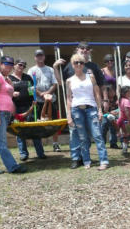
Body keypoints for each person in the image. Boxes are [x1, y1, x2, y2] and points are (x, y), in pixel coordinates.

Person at [53, 41, 107, 169]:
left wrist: (104, 102)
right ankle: (76, 158)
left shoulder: (93, 67)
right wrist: (55, 67)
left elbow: (100, 86)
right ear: (77, 50)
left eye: (87, 49)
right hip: (76, 107)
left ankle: (86, 158)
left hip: (91, 105)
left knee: (91, 134)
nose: (84, 50)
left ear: (90, 51)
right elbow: (61, 83)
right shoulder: (69, 69)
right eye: (82, 48)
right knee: (75, 134)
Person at [66, 54, 109, 170]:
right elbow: (69, 99)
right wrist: (68, 116)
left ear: (84, 64)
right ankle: (86, 160)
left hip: (91, 108)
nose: (79, 64)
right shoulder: (69, 81)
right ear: (72, 64)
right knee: (82, 137)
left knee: (97, 135)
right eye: (76, 62)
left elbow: (97, 94)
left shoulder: (90, 77)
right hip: (76, 110)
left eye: (81, 62)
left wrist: (100, 110)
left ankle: (103, 161)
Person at [0, 56, 27, 174]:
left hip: (5, 113)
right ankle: (13, 167)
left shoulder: (5, 78)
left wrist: (10, 85)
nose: (8, 67)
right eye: (6, 64)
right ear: (0, 64)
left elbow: (8, 95)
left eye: (11, 65)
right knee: (2, 142)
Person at [10, 58, 46, 161]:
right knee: (20, 131)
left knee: (34, 129)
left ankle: (40, 153)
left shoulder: (28, 77)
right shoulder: (9, 78)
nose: (22, 67)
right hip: (16, 108)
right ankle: (23, 154)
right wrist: (12, 94)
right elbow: (6, 93)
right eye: (20, 65)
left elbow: (32, 91)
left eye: (24, 66)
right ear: (15, 65)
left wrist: (34, 100)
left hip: (29, 106)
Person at [27, 49, 61, 152]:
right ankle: (40, 146)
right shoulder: (31, 70)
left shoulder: (50, 69)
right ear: (35, 58)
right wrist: (40, 94)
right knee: (38, 124)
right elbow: (30, 85)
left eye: (41, 55)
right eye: (38, 56)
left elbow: (55, 84)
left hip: (51, 100)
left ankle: (55, 144)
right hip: (38, 101)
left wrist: (47, 93)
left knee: (54, 122)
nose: (40, 57)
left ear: (44, 57)